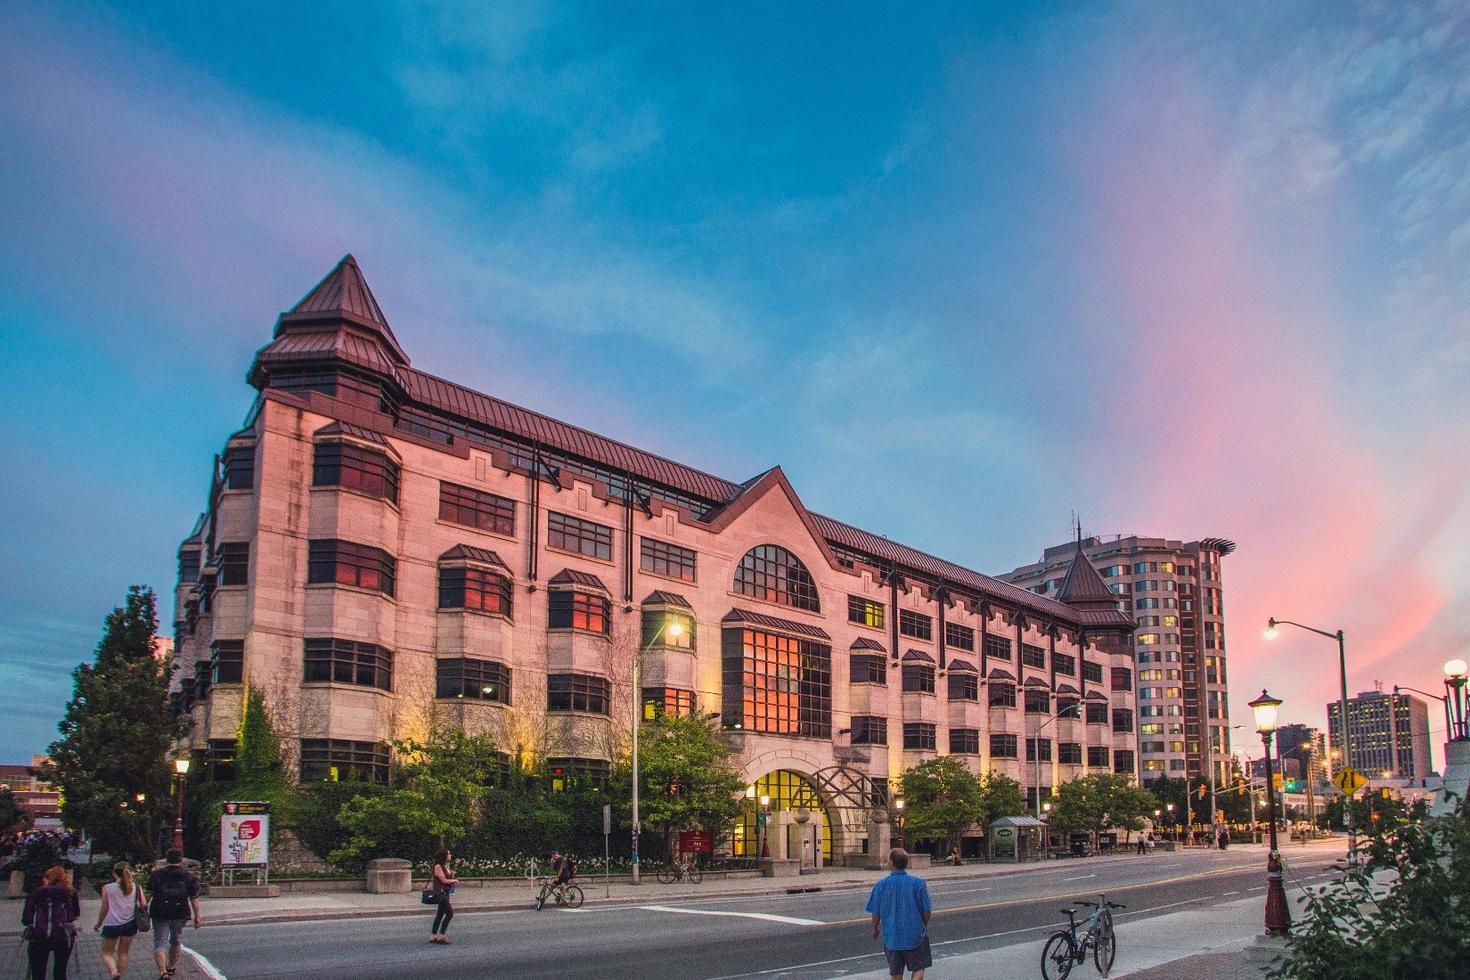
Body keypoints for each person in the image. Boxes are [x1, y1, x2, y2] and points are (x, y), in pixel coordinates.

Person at [865, 848, 931, 980]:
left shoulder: (881, 885)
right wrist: (922, 925)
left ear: (891, 863)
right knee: (918, 969)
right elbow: (927, 911)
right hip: (915, 935)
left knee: (895, 973)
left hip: (892, 937)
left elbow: (876, 913)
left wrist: (875, 928)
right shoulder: (918, 883)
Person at [148, 848, 201, 979]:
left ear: (166, 860)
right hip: (180, 911)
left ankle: (162, 972)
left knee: (159, 941)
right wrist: (197, 916)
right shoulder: (190, 877)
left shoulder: (156, 875)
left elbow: (149, 894)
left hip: (159, 911)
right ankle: (171, 966)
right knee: (175, 940)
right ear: (181, 860)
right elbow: (194, 898)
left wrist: (143, 908)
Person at [22, 865, 80, 980]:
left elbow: (26, 919)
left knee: (38, 974)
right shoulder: (69, 892)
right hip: (62, 936)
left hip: (39, 936)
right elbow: (73, 915)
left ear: (49, 878)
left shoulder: (36, 893)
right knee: (60, 971)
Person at [96, 861, 145, 980]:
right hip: (130, 924)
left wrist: (98, 924)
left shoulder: (107, 888)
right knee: (123, 953)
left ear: (114, 874)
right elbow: (143, 904)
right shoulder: (136, 887)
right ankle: (120, 976)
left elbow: (104, 908)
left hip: (112, 924)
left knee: (106, 953)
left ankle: (113, 972)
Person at [429, 848, 457, 944]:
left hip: (446, 892)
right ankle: (441, 935)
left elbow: (447, 879)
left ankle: (433, 936)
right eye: (448, 853)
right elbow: (443, 880)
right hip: (441, 893)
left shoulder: (446, 865)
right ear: (443, 855)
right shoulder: (438, 866)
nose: (450, 855)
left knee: (440, 915)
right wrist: (454, 881)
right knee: (450, 913)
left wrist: (452, 876)